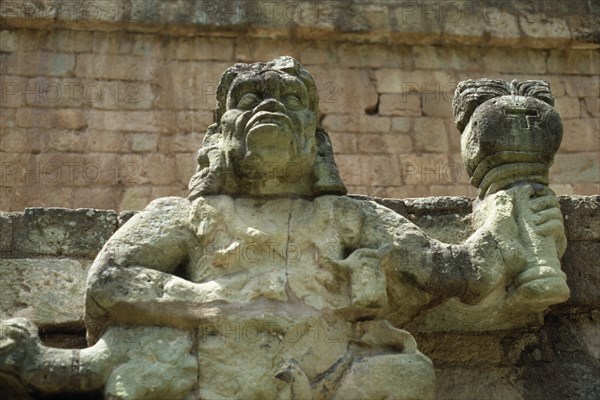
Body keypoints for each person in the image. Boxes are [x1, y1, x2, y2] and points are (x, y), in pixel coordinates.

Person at [1, 57, 568, 400]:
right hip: (210, 374)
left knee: (405, 374)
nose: (265, 106)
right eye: (246, 100)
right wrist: (210, 299)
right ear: (219, 136)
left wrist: (511, 208)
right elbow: (111, 281)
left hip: (332, 377)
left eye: (289, 99)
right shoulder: (189, 217)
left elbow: (460, 273)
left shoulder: (350, 217)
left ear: (313, 137)